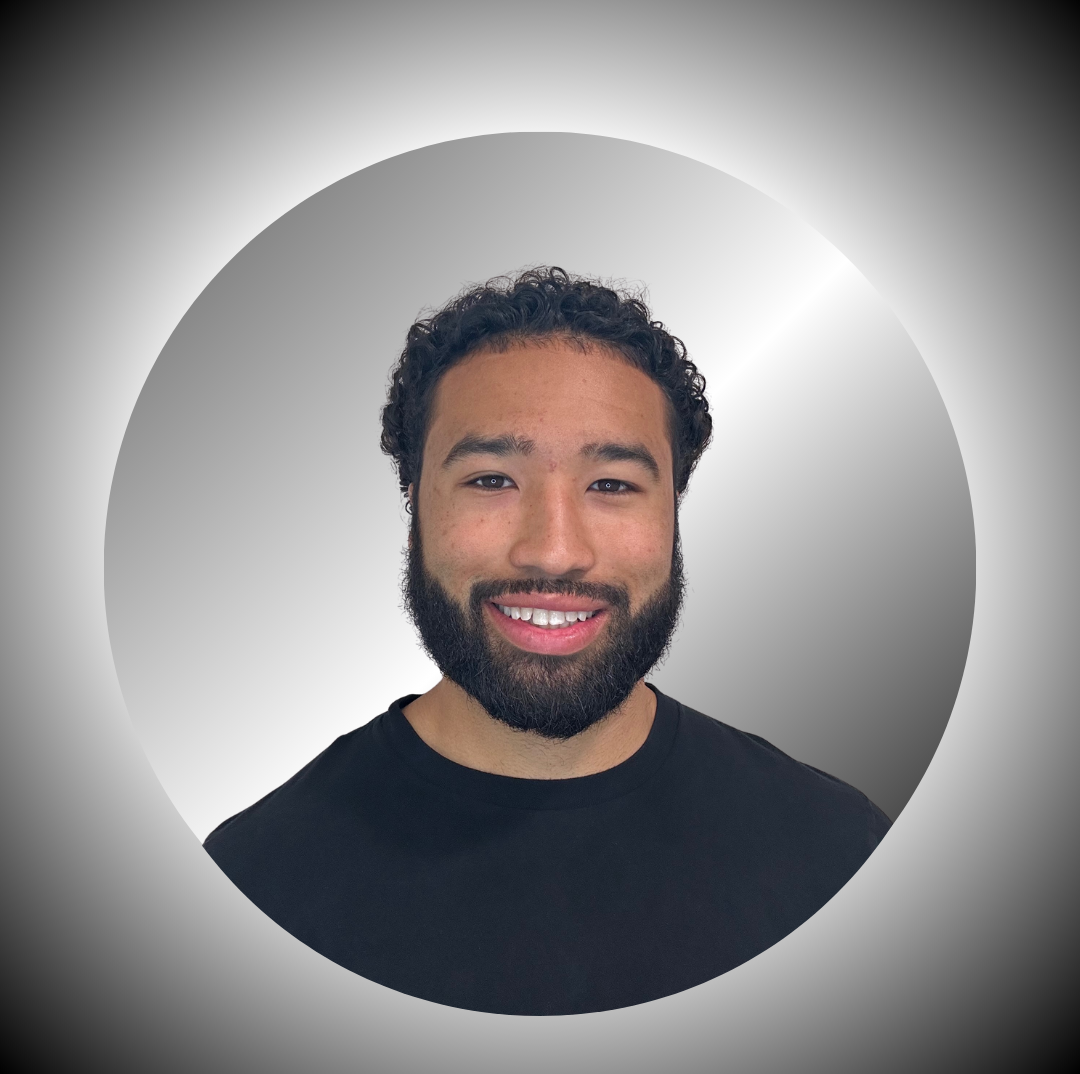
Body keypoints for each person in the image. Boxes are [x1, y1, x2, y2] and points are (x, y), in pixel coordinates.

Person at [205, 266, 890, 1015]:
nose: (554, 551)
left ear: (674, 507)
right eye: (493, 480)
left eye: (612, 485)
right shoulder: (249, 892)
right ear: (414, 498)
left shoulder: (839, 858)